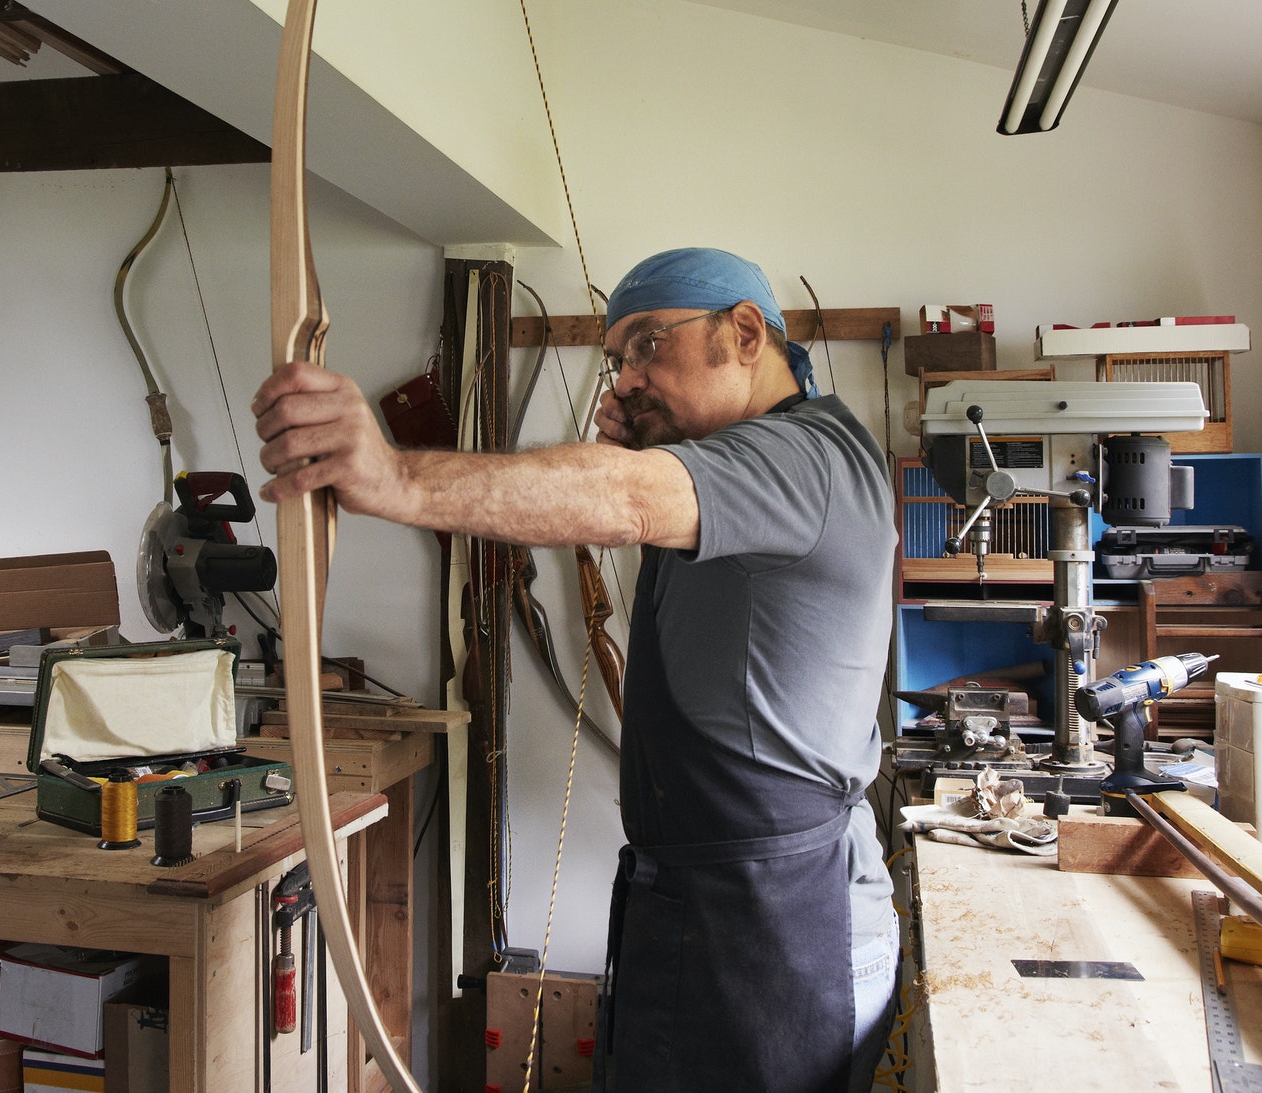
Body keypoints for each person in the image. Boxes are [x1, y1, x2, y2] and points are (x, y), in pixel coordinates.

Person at [252, 247, 898, 1093]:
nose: (627, 378)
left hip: (778, 924)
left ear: (743, 332)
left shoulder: (806, 457)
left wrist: (395, 475)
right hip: (709, 907)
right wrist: (653, 441)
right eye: (617, 358)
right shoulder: (742, 462)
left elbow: (627, 499)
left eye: (648, 346)